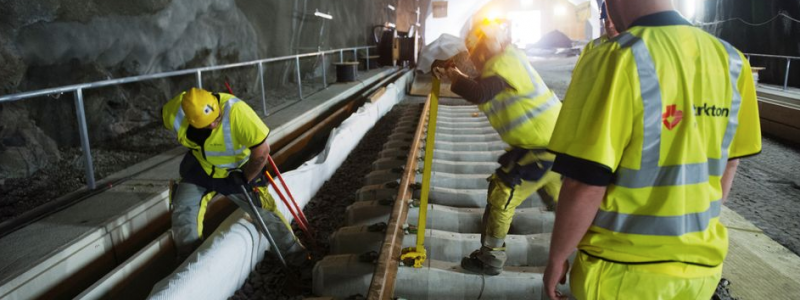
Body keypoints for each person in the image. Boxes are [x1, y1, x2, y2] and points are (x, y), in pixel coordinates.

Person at [543, 0, 761, 299]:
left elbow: (584, 182)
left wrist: (557, 257)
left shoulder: (615, 57)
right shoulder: (732, 61)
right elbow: (730, 163)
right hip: (701, 271)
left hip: (621, 271)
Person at [434, 19, 563, 275]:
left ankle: (490, 258)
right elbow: (471, 68)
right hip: (553, 141)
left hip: (539, 147)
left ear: (482, 49)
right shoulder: (506, 59)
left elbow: (479, 92)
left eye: (474, 53)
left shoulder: (503, 64)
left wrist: (453, 76)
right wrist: (446, 65)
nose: (471, 60)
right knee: (560, 196)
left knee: (503, 192)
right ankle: (586, 238)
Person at [161, 87, 307, 264]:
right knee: (183, 207)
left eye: (217, 119)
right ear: (191, 120)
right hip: (202, 167)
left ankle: (296, 257)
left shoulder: (237, 112)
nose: (215, 124)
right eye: (208, 124)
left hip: (237, 171)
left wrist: (247, 177)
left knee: (262, 212)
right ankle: (188, 264)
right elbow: (162, 115)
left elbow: (262, 152)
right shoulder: (176, 111)